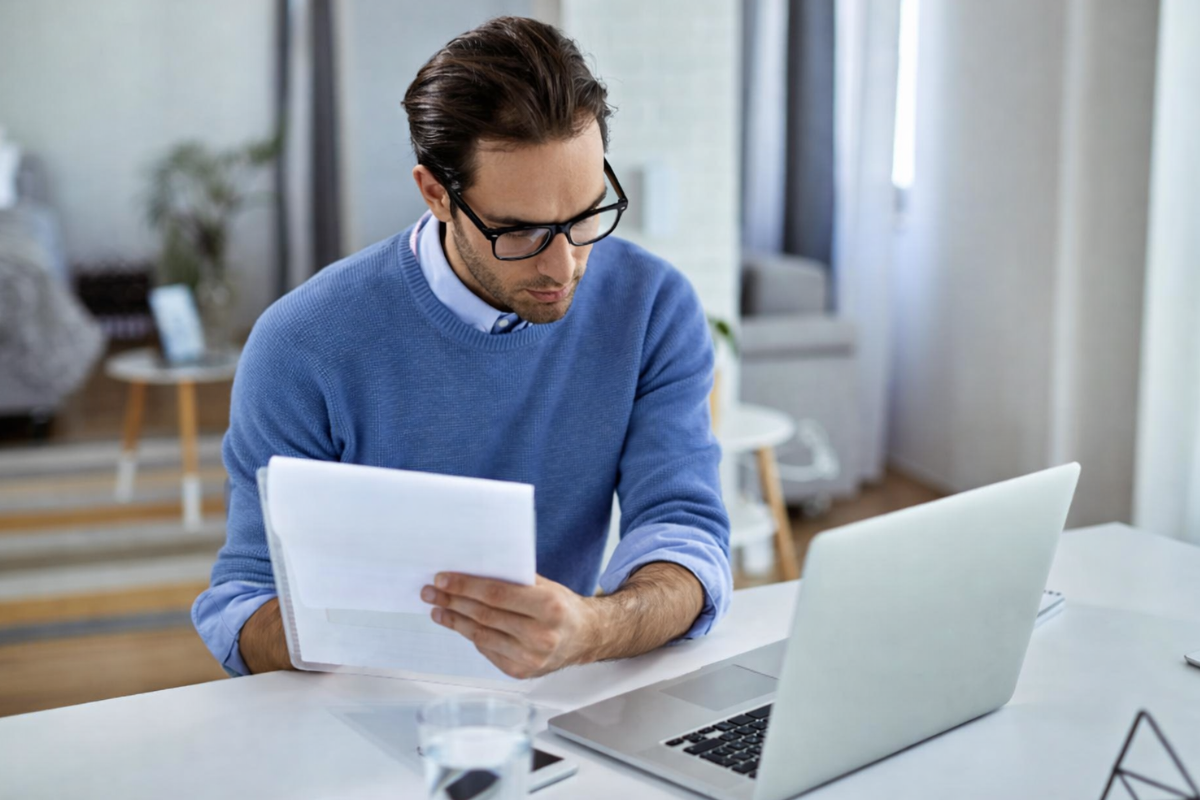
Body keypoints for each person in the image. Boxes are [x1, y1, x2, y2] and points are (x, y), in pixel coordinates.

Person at [192, 15, 730, 680]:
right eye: (521, 231)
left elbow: (684, 529)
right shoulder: (302, 344)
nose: (563, 267)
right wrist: (360, 628)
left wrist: (593, 629)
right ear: (436, 194)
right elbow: (243, 604)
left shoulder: (653, 309)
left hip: (556, 696)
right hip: (353, 705)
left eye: (586, 215)